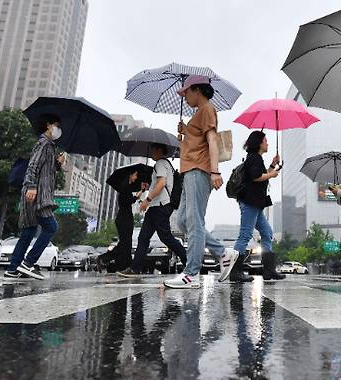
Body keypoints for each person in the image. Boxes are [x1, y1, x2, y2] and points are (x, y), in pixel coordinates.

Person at [164, 75, 236, 289]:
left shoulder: (207, 109)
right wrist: (185, 133)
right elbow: (198, 141)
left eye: (186, 92)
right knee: (184, 222)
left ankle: (191, 274)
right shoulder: (199, 113)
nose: (184, 96)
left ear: (198, 90)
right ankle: (223, 253)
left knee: (194, 222)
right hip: (189, 171)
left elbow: (212, 140)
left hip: (199, 170)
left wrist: (215, 171)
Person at [4, 113, 65, 280]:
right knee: (51, 227)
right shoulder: (45, 143)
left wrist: (57, 164)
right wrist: (31, 185)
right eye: (57, 125)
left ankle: (12, 269)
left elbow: (46, 171)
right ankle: (28, 263)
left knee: (29, 231)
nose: (59, 129)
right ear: (48, 125)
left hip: (35, 192)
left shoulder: (49, 146)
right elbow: (32, 166)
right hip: (37, 194)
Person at [117, 143, 187, 278]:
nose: (151, 152)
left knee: (166, 237)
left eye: (153, 150)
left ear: (159, 150)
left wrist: (146, 200)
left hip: (159, 206)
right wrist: (148, 187)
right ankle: (135, 268)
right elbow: (159, 184)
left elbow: (161, 185)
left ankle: (189, 263)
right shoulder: (165, 165)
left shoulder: (161, 163)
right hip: (156, 207)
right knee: (143, 238)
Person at [224, 131, 285, 283]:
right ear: (258, 143)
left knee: (267, 232)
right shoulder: (254, 158)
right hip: (250, 203)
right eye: (265, 140)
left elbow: (262, 175)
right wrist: (272, 175)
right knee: (245, 236)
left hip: (256, 204)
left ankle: (269, 271)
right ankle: (235, 272)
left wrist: (272, 165)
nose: (267, 143)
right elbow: (256, 177)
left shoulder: (257, 159)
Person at [97, 171, 148, 272]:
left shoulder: (126, 187)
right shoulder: (125, 187)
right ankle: (105, 258)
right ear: (130, 175)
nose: (136, 177)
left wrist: (141, 191)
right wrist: (140, 192)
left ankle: (121, 264)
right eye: (135, 175)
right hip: (124, 218)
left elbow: (130, 200)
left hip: (125, 217)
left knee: (125, 244)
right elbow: (129, 200)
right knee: (125, 243)